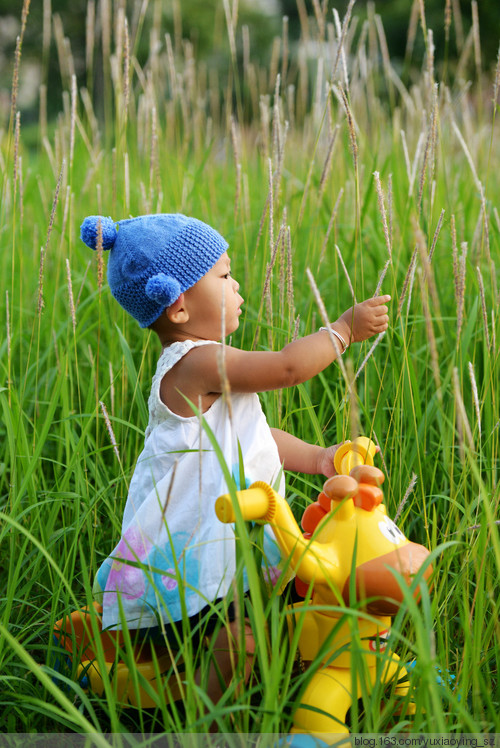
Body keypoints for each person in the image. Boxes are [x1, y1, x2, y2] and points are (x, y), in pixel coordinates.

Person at [80, 212, 390, 701]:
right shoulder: (196, 363)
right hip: (188, 563)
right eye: (224, 276)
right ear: (178, 306)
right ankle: (205, 720)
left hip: (221, 545)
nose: (238, 284)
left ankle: (242, 679)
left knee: (260, 621)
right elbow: (289, 367)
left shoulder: (206, 364)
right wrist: (343, 330)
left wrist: (320, 459)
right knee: (241, 640)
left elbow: (254, 436)